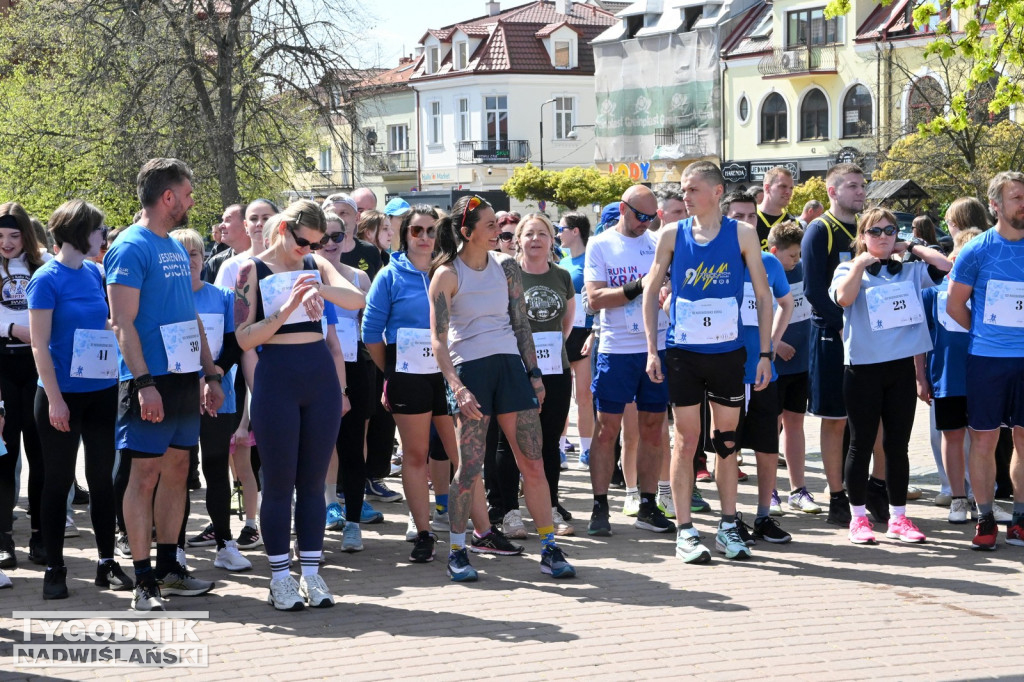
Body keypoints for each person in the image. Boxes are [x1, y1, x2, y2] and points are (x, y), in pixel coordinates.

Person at [429, 195, 575, 581]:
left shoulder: (507, 266)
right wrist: (457, 387)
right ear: (467, 232)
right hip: (471, 373)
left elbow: (520, 322)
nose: (499, 230)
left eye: (497, 223)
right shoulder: (447, 274)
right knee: (470, 467)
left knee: (533, 461)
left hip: (511, 368)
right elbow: (438, 340)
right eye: (491, 225)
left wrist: (534, 374)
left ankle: (549, 547)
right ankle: (458, 551)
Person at [105, 158, 226, 611]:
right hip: (149, 382)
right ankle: (143, 582)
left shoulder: (174, 247)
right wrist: (143, 383)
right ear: (168, 196)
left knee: (178, 470)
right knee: (144, 476)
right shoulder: (129, 247)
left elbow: (189, 316)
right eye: (188, 194)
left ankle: (170, 567)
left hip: (184, 378)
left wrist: (210, 372)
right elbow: (122, 323)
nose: (192, 202)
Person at [234, 199, 365, 609]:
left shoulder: (314, 263)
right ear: (283, 229)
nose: (308, 249)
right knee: (278, 483)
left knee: (312, 482)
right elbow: (243, 337)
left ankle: (311, 573)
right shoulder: (251, 269)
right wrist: (287, 308)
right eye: (303, 241)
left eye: (315, 243)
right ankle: (279, 578)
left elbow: (356, 299)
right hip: (276, 379)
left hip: (319, 379)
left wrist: (318, 287)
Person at [642, 162, 774, 563]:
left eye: (693, 189)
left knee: (727, 441)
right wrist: (652, 349)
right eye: (683, 190)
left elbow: (763, 296)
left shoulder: (743, 234)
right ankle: (685, 530)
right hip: (683, 353)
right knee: (685, 440)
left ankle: (728, 525)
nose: (685, 196)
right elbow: (650, 291)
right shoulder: (672, 234)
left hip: (728, 353)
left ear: (717, 192)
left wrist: (764, 353)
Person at [28, 199, 131, 599]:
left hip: (100, 390)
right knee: (57, 482)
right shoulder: (45, 279)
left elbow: (100, 323)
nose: (104, 236)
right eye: (99, 230)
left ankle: (107, 562)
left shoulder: (94, 272)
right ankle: (54, 568)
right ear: (79, 232)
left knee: (102, 480)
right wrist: (55, 399)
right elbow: (39, 344)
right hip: (61, 396)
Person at [830, 208, 950, 544]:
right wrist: (860, 263)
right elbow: (844, 298)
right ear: (862, 236)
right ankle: (858, 518)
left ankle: (899, 517)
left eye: (890, 230)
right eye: (875, 231)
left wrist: (909, 246)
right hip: (863, 369)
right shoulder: (847, 269)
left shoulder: (908, 270)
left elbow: (944, 266)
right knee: (861, 444)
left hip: (899, 369)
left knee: (897, 446)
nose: (883, 236)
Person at [801, 163, 889, 526]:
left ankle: (877, 488)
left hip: (870, 338)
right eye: (852, 185)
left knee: (876, 417)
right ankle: (837, 496)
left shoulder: (869, 228)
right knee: (836, 419)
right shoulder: (819, 230)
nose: (860, 191)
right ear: (832, 191)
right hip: (832, 336)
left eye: (862, 185)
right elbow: (813, 291)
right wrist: (840, 326)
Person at [584, 185, 674, 537]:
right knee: (607, 429)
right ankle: (600, 505)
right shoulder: (601, 244)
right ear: (623, 209)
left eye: (652, 217)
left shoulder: (658, 243)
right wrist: (641, 285)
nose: (646, 223)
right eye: (640, 216)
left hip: (658, 346)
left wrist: (665, 291)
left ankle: (648, 506)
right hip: (617, 349)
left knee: (654, 427)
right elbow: (595, 299)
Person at [946, 171, 1024, 550]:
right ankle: (986, 517)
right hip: (987, 359)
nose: (1023, 204)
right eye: (1016, 198)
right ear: (995, 205)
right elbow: (954, 305)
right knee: (984, 440)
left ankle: (1020, 518)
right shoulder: (977, 250)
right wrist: (983, 332)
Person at [490, 214, 575, 535]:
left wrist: (546, 352)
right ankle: (509, 511)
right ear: (518, 240)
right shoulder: (505, 274)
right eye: (528, 234)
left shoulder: (562, 276)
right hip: (514, 369)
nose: (535, 239)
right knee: (509, 442)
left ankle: (550, 507)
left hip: (556, 369)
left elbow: (566, 323)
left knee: (549, 442)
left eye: (542, 233)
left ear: (552, 240)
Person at [171, 229, 249, 572]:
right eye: (181, 254)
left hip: (219, 395)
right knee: (177, 472)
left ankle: (225, 544)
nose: (189, 261)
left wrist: (214, 374)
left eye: (195, 254)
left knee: (216, 468)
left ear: (204, 259)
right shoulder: (162, 297)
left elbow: (234, 343)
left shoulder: (223, 297)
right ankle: (174, 548)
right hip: (178, 395)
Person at [721, 192, 794, 545]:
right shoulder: (715, 260)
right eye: (739, 216)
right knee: (726, 449)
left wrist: (773, 344)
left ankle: (764, 516)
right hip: (724, 371)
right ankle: (729, 519)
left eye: (751, 216)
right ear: (725, 219)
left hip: (763, 372)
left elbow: (786, 303)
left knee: (766, 448)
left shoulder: (769, 262)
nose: (747, 222)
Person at [317, 209, 378, 548]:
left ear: (347, 237)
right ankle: (327, 506)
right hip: (313, 366)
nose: (330, 243)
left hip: (353, 369)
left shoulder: (359, 278)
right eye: (323, 237)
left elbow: (368, 326)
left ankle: (353, 521)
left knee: (353, 448)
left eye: (336, 236)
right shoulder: (303, 273)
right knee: (318, 447)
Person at [918, 228, 984, 524]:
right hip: (947, 378)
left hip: (984, 377)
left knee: (983, 439)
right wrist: (920, 376)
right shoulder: (932, 292)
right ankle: (958, 498)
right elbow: (920, 337)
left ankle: (983, 500)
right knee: (952, 436)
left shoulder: (988, 290)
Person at [0, 202, 49, 571]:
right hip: (3, 363)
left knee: (40, 453)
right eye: (1, 236)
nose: (6, 243)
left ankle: (40, 534)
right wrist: (12, 328)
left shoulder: (42, 264)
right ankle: (4, 539)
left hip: (37, 366)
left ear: (27, 236)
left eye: (14, 236)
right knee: (5, 455)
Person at [767, 221, 821, 513]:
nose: (796, 260)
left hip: (801, 364)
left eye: (799, 254)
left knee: (795, 424)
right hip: (773, 365)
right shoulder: (763, 272)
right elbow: (754, 315)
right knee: (771, 426)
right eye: (791, 255)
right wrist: (775, 345)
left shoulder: (802, 270)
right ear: (774, 251)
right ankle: (769, 491)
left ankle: (798, 490)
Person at [558, 212, 594, 472]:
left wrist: (594, 333)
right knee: (560, 399)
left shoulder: (591, 259)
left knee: (584, 397)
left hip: (585, 335)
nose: (558, 233)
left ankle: (586, 451)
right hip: (562, 335)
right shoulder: (561, 262)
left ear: (575, 231)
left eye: (561, 228)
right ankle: (559, 449)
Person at [202, 205, 247, 284]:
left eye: (228, 220)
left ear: (245, 224)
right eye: (223, 220)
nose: (220, 226)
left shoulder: (266, 261)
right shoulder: (216, 262)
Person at [755, 167, 795, 251]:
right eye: (783, 186)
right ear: (767, 188)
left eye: (791, 188)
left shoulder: (793, 224)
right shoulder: (749, 218)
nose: (788, 192)